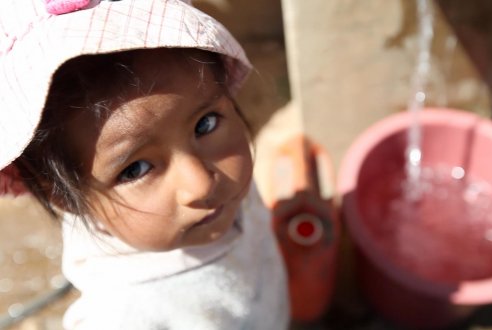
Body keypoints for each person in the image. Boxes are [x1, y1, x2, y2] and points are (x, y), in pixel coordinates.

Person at [0, 0, 289, 329]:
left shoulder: (225, 188)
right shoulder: (122, 315)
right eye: (135, 170)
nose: (201, 184)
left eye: (205, 124)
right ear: (63, 197)